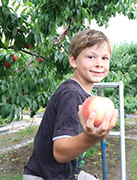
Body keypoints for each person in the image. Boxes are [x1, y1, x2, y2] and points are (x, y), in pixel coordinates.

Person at [23, 27, 117, 180]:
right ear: (73, 60)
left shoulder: (84, 96)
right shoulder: (72, 94)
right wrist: (90, 138)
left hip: (62, 174)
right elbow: (60, 153)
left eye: (105, 58)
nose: (99, 63)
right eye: (91, 57)